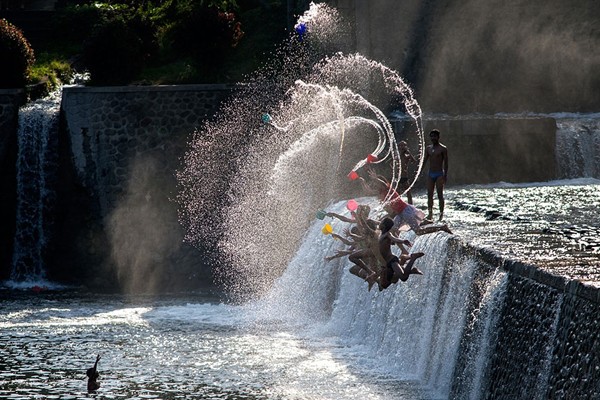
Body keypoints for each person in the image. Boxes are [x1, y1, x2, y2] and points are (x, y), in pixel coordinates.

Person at [360, 169, 452, 235]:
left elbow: (383, 184)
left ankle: (442, 228)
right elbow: (369, 191)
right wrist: (363, 182)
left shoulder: (388, 189)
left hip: (405, 211)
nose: (375, 185)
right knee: (393, 230)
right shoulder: (381, 192)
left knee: (418, 232)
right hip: (400, 214)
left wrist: (375, 178)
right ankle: (402, 245)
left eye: (377, 184)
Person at [378, 217, 425, 290]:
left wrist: (403, 241)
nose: (379, 223)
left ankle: (413, 258)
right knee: (385, 284)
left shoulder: (387, 234)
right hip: (387, 263)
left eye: (381, 222)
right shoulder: (381, 235)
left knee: (403, 277)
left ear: (384, 225)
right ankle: (410, 269)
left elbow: (394, 239)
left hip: (392, 260)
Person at [422, 129, 448, 221]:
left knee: (440, 194)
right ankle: (430, 213)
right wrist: (420, 170)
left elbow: (446, 163)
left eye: (434, 136)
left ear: (438, 137)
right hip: (431, 173)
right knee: (429, 194)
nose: (433, 138)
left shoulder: (443, 149)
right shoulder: (428, 148)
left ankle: (441, 214)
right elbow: (425, 160)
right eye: (431, 136)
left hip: (439, 173)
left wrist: (445, 175)